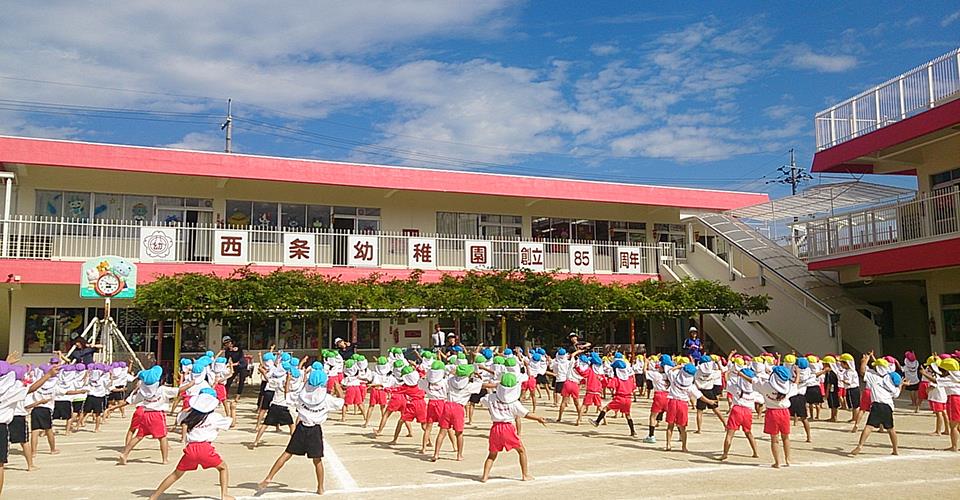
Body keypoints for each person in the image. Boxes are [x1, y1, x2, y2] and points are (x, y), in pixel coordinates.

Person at [258, 367, 344, 496]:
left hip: (301, 428)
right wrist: (338, 387)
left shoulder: (302, 395)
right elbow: (341, 401)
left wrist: (289, 381)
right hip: (314, 430)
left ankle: (269, 477)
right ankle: (320, 487)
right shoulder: (326, 399)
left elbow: (288, 396)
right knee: (317, 460)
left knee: (287, 454)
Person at [147, 388, 233, 500]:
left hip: (190, 449)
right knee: (223, 468)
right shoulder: (214, 417)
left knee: (176, 474)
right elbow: (232, 423)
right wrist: (233, 410)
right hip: (205, 448)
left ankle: (154, 496)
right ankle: (224, 494)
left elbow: (181, 416)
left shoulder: (186, 415)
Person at [479, 373, 547, 483]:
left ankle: (485, 476)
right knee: (521, 451)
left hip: (495, 428)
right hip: (508, 428)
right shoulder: (514, 403)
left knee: (492, 454)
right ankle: (525, 475)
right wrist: (538, 418)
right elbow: (526, 414)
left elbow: (483, 400)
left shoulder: (491, 398)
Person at [118, 365, 181, 465]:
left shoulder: (143, 391)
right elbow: (179, 390)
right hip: (157, 415)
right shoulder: (162, 389)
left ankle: (125, 454)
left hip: (145, 414)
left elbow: (131, 401)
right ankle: (165, 459)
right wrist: (192, 383)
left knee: (139, 436)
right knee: (162, 437)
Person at [850, 354, 903, 456]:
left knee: (869, 427)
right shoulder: (890, 379)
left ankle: (860, 445)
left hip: (877, 405)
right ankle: (895, 449)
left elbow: (862, 371)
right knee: (891, 429)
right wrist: (901, 385)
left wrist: (864, 361)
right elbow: (896, 394)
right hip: (888, 406)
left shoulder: (873, 376)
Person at [664, 362, 717, 452]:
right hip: (683, 404)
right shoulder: (690, 386)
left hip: (672, 402)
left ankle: (668, 444)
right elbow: (700, 396)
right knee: (683, 427)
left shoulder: (675, 377)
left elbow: (669, 370)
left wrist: (679, 366)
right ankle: (684, 447)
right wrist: (710, 401)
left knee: (670, 425)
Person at [718, 367, 760, 461]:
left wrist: (727, 372)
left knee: (730, 434)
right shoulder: (754, 390)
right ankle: (755, 452)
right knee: (748, 433)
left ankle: (725, 454)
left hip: (737, 409)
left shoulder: (735, 387)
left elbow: (726, 380)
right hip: (748, 411)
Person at [760, 365, 795, 468]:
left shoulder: (766, 386)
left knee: (774, 439)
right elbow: (796, 384)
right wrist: (796, 375)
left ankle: (777, 462)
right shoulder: (789, 386)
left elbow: (752, 381)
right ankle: (788, 459)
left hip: (772, 412)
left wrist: (742, 374)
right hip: (784, 412)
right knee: (786, 437)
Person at [591, 359, 637, 436]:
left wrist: (602, 379)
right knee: (628, 415)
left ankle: (597, 422)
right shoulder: (629, 379)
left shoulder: (616, 379)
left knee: (605, 408)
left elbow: (609, 385)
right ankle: (633, 431)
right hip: (628, 399)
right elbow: (633, 388)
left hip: (619, 398)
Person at [221, 336, 246, 427]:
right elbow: (228, 360)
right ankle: (225, 395)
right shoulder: (227, 351)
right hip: (234, 366)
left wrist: (234, 363)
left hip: (241, 365)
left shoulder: (238, 348)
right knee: (229, 380)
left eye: (229, 343)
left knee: (241, 381)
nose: (228, 344)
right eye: (226, 343)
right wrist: (227, 365)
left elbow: (241, 359)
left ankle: (237, 396)